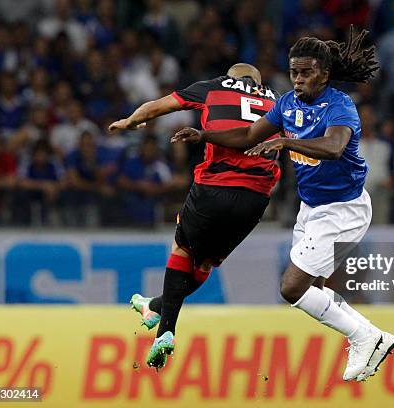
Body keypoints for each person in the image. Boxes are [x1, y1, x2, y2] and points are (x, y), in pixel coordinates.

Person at [175, 27, 394, 382]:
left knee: (292, 288)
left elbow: (333, 147)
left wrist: (284, 142)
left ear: (323, 74)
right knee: (313, 290)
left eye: (306, 72)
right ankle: (374, 336)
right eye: (294, 72)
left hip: (343, 208)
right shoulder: (286, 104)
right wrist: (204, 134)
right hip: (311, 209)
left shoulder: (340, 106)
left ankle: (364, 336)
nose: (297, 80)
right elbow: (248, 136)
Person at [108, 63, 280, 369]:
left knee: (183, 249)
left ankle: (166, 331)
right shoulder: (277, 102)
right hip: (256, 198)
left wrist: (131, 121)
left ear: (231, 77)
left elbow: (157, 107)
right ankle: (155, 306)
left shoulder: (214, 86)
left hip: (215, 187)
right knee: (204, 262)